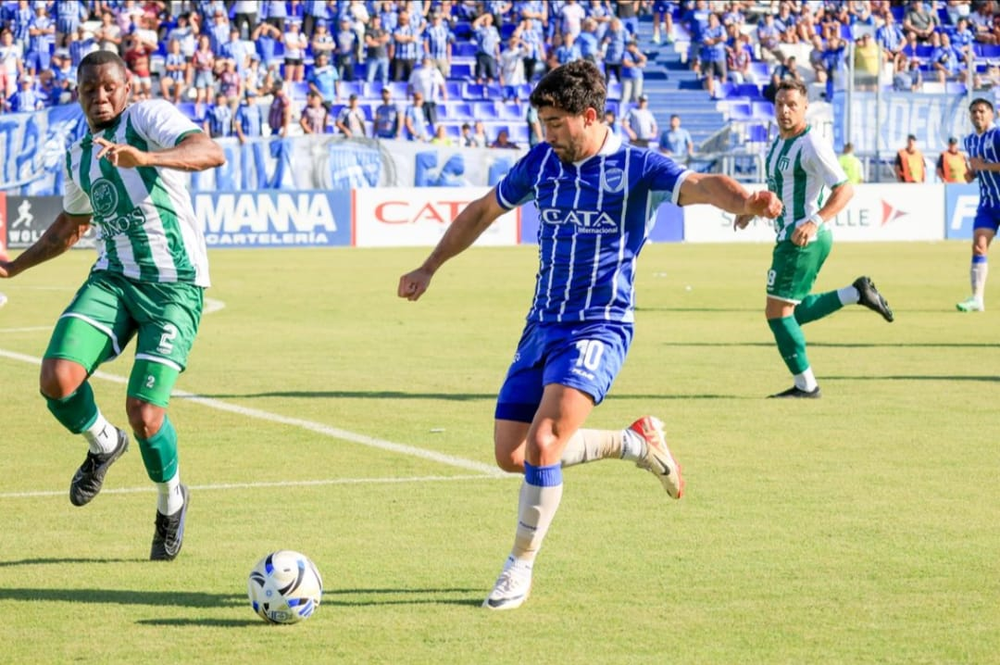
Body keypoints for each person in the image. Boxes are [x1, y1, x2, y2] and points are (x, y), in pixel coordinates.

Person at [396, 60, 783, 611]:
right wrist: (430, 266)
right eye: (543, 123)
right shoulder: (542, 163)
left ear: (589, 116)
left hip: (600, 326)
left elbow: (699, 185)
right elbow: (484, 210)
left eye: (555, 123)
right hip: (541, 326)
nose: (547, 134)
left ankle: (518, 567)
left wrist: (747, 200)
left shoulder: (635, 167)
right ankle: (632, 442)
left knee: (546, 443)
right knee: (513, 455)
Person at [0, 50, 225, 560]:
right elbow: (72, 227)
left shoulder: (147, 119)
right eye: (88, 89)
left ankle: (171, 499)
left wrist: (146, 158)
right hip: (113, 279)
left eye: (108, 87)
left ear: (126, 87)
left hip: (175, 285)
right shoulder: (78, 152)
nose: (99, 96)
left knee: (146, 413)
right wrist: (14, 267)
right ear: (77, 94)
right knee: (57, 379)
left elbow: (209, 151)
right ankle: (104, 443)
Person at [734, 80, 893, 398]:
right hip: (789, 235)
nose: (784, 110)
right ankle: (855, 293)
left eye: (792, 104)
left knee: (777, 313)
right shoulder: (779, 142)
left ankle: (806, 385)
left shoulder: (812, 144)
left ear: (805, 107)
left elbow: (845, 189)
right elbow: (779, 188)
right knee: (789, 310)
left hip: (803, 238)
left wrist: (814, 221)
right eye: (779, 104)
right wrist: (753, 209)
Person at [956, 98, 1000, 312]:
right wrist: (971, 173)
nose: (977, 115)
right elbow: (975, 170)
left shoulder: (998, 135)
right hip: (988, 204)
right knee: (979, 245)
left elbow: (986, 165)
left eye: (982, 111)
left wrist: (984, 165)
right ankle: (977, 299)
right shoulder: (970, 141)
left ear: (992, 114)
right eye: (973, 112)